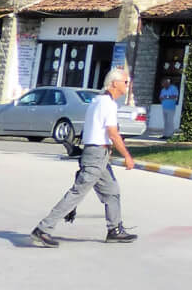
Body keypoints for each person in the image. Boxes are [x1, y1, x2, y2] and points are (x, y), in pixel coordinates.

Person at [30, 69, 138, 247]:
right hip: (96, 155)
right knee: (77, 193)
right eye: (125, 82)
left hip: (98, 155)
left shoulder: (99, 100)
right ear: (114, 83)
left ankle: (115, 230)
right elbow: (113, 133)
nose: (128, 85)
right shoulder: (107, 104)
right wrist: (127, 156)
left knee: (112, 191)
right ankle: (43, 229)